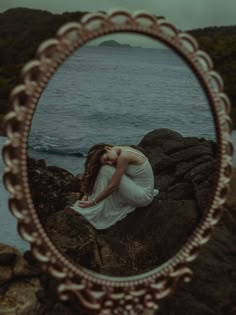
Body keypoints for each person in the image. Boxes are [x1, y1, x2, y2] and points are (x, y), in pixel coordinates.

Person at [70, 143, 159, 229]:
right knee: (104, 168)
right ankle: (90, 198)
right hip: (137, 188)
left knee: (105, 169)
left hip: (143, 196)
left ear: (108, 148)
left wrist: (93, 203)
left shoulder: (124, 157)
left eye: (107, 158)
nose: (109, 162)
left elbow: (113, 186)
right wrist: (87, 194)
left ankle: (94, 207)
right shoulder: (118, 151)